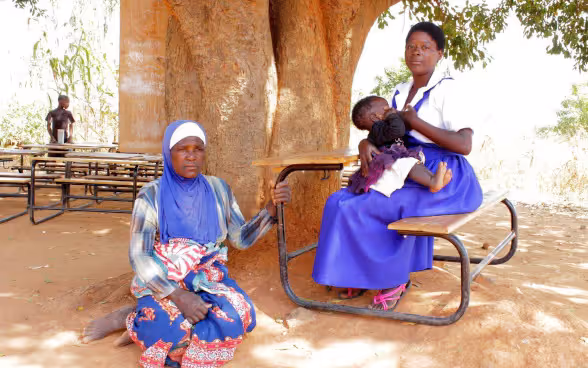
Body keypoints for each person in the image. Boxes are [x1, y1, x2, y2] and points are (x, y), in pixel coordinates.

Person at [82, 120, 292, 368]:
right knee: (167, 334)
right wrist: (179, 296)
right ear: (169, 153)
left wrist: (271, 209)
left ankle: (143, 317)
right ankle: (131, 317)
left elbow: (241, 239)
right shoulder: (150, 196)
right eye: (183, 149)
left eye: (198, 148)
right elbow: (140, 256)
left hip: (206, 278)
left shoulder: (218, 189)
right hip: (164, 282)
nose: (191, 156)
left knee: (238, 316)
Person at [312, 21, 483, 309]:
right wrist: (366, 144)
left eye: (425, 47)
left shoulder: (448, 90)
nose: (417, 52)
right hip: (404, 166)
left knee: (372, 205)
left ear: (439, 53)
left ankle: (394, 279)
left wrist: (416, 122)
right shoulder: (399, 91)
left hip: (444, 176)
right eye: (411, 47)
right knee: (338, 200)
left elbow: (464, 145)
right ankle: (354, 273)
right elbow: (388, 133)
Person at [347, 95, 452, 197]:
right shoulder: (377, 129)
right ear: (375, 117)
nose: (391, 109)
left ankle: (433, 181)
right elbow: (398, 130)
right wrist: (392, 116)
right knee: (410, 164)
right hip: (390, 160)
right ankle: (433, 181)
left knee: (415, 164)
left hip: (396, 156)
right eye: (386, 108)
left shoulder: (380, 128)